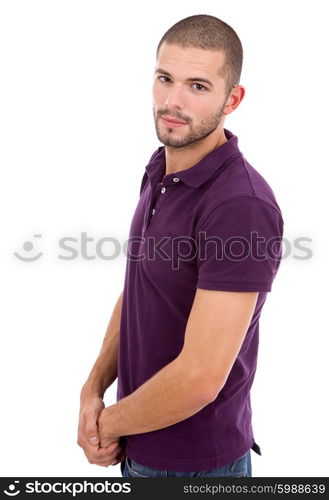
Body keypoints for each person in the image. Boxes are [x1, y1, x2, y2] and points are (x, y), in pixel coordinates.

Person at [77, 14, 284, 478]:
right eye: (165, 78)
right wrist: (93, 389)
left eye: (198, 86)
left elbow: (200, 379)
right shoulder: (161, 170)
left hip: (195, 466)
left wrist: (107, 423)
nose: (172, 101)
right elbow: (141, 288)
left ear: (233, 99)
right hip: (139, 444)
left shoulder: (240, 206)